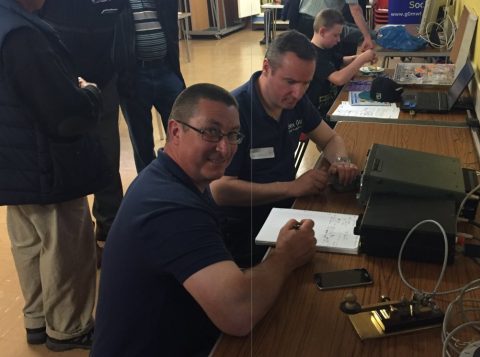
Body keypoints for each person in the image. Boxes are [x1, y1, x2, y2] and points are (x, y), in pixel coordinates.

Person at [92, 83, 317, 356]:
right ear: (175, 131)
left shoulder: (175, 180)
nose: (224, 148)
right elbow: (238, 312)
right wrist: (286, 256)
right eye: (211, 132)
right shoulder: (169, 207)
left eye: (233, 135)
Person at [0, 0, 111, 351]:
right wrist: (89, 93)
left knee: (30, 246)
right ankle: (70, 328)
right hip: (45, 164)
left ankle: (37, 320)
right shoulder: (23, 36)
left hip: (13, 164)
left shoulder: (7, 25)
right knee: (66, 251)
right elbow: (63, 114)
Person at [210, 30, 360, 268]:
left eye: (306, 83)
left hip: (286, 212)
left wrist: (340, 161)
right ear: (267, 67)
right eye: (290, 82)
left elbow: (330, 139)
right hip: (244, 228)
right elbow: (220, 189)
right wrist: (291, 187)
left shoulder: (295, 101)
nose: (298, 93)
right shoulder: (234, 112)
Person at [39, 0, 126, 261]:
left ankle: (111, 233)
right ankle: (83, 244)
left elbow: (121, 32)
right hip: (62, 88)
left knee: (108, 161)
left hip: (104, 85)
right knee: (68, 165)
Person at [114, 0, 186, 173]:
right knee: (142, 141)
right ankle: (150, 184)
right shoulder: (118, 4)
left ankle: (181, 177)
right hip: (134, 76)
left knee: (182, 129)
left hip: (166, 70)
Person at [307, 8, 377, 122]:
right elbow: (338, 79)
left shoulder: (326, 48)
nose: (338, 40)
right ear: (322, 32)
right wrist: (362, 59)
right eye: (335, 35)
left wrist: (359, 57)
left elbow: (342, 60)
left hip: (333, 105)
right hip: (319, 114)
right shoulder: (312, 55)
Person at [295, 0, 375, 55]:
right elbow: (355, 9)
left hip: (302, 18)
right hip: (320, 20)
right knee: (323, 59)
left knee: (308, 57)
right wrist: (367, 37)